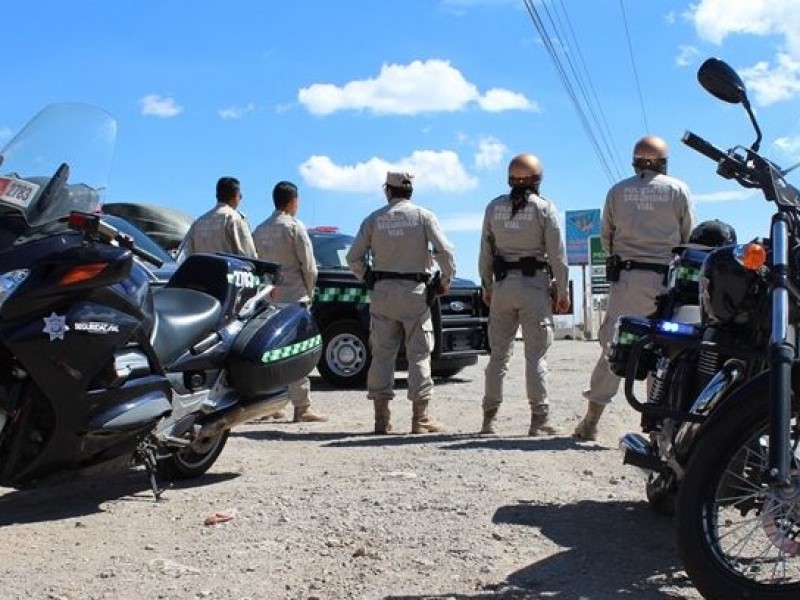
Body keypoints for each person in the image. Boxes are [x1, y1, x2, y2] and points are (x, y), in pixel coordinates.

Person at [573, 135, 695, 441]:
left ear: (635, 161)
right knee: (664, 348)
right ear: (664, 161)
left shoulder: (617, 191)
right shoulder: (678, 189)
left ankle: (590, 421)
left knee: (615, 346)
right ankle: (657, 428)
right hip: (665, 281)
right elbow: (688, 237)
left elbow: (607, 236)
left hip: (627, 280)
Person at [346, 171, 456, 434]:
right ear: (410, 191)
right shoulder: (423, 216)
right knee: (419, 355)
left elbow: (353, 258)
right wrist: (444, 281)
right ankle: (420, 419)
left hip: (383, 293)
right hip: (415, 293)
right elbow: (446, 252)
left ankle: (381, 420)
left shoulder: (374, 219)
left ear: (388, 190)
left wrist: (369, 277)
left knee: (382, 355)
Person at [478, 154, 570, 436]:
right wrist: (562, 291)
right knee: (536, 357)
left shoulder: (494, 208)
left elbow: (485, 252)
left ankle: (488, 421)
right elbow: (557, 255)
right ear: (537, 180)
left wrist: (487, 287)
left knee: (498, 358)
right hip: (534, 288)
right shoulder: (545, 209)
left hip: (503, 288)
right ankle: (538, 420)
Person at [252, 181, 327, 423]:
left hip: (269, 299)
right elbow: (309, 266)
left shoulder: (260, 229)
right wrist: (309, 292)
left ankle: (271, 405)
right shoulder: (294, 227)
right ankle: (302, 406)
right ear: (293, 201)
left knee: (271, 353)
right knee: (298, 353)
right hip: (295, 298)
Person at [182, 176, 257, 258]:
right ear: (235, 196)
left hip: (202, 270)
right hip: (227, 270)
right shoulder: (235, 219)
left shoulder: (199, 222)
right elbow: (248, 255)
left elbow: (185, 253)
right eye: (240, 195)